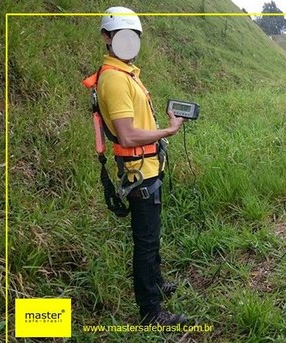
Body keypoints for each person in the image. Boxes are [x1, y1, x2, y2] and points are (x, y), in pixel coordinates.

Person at [94, 6, 187, 325]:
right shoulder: (115, 81)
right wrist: (168, 131)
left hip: (147, 167)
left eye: (133, 36)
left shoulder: (127, 75)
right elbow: (128, 134)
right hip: (138, 172)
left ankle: (158, 284)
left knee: (151, 234)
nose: (129, 42)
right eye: (122, 36)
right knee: (145, 243)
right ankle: (151, 312)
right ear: (107, 38)